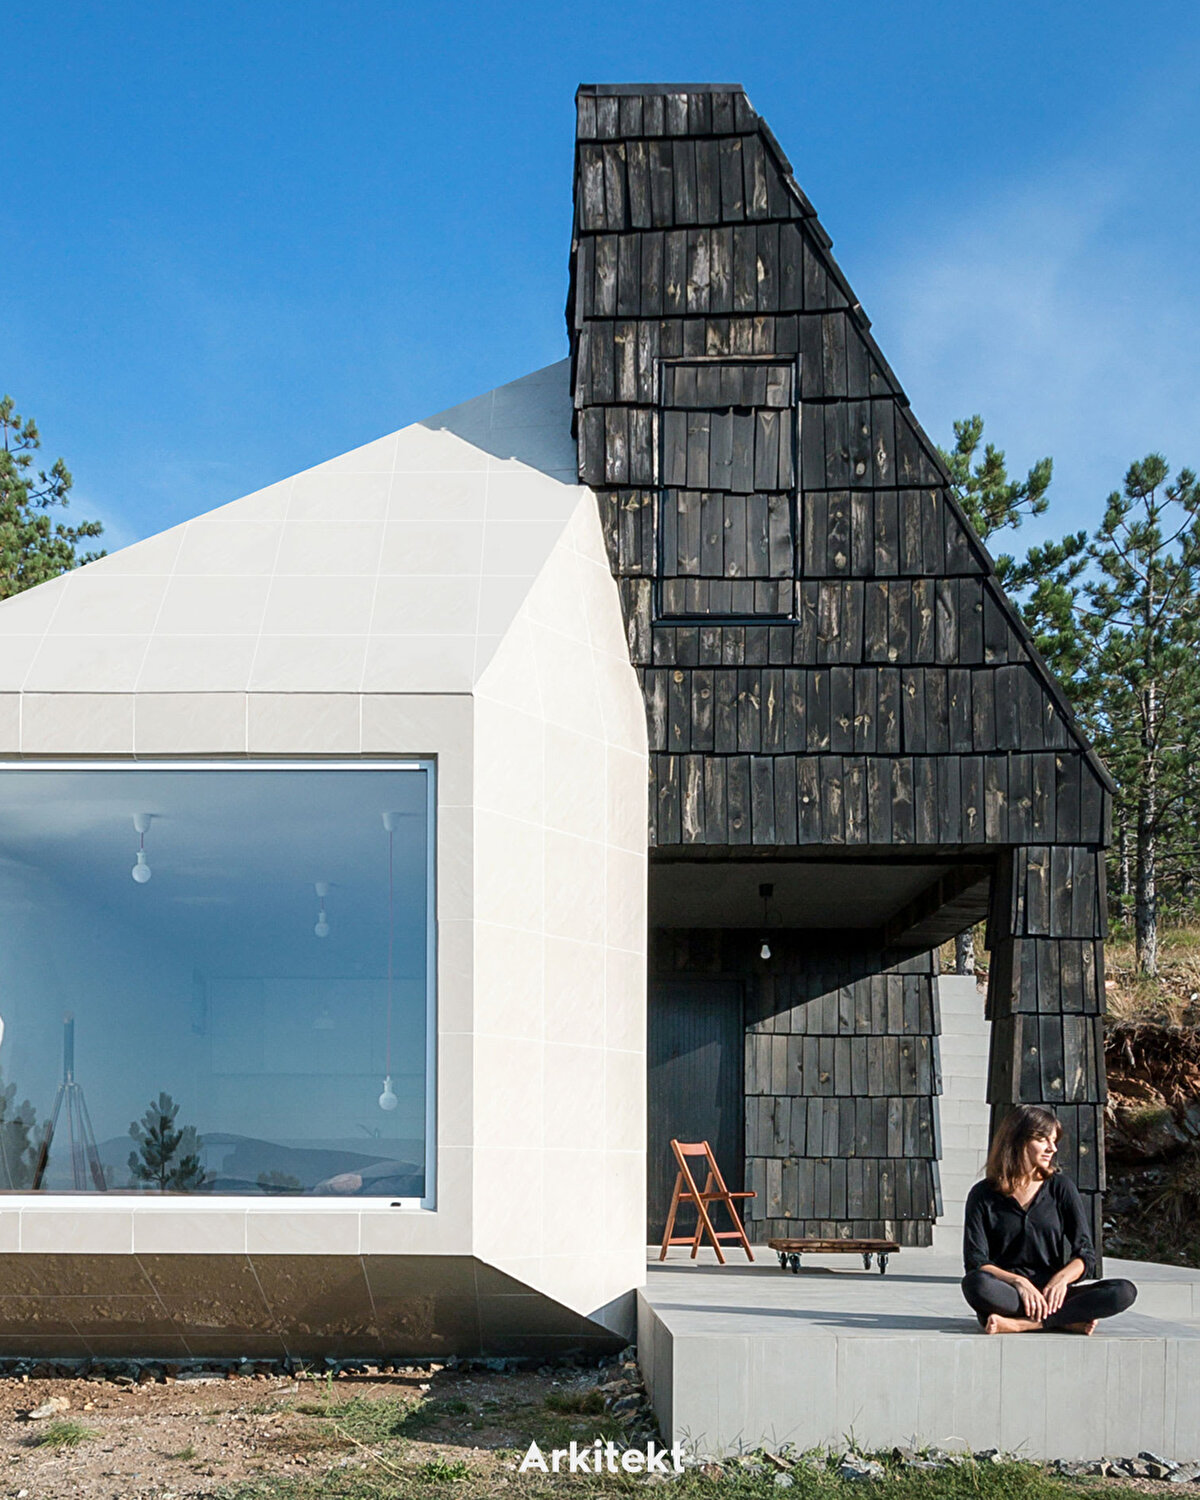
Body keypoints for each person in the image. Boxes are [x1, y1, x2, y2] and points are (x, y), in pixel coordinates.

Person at [961, 1104, 1137, 1335]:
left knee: (1123, 1291)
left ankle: (1022, 1324)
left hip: (1053, 1294)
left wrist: (1060, 1280)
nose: (1052, 1148)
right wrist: (1019, 1282)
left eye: (1054, 1140)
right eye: (1042, 1139)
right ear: (1017, 1140)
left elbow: (1085, 1254)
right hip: (1009, 1293)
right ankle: (1065, 1319)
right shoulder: (982, 1194)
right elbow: (976, 1261)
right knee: (976, 1284)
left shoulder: (1061, 1188)